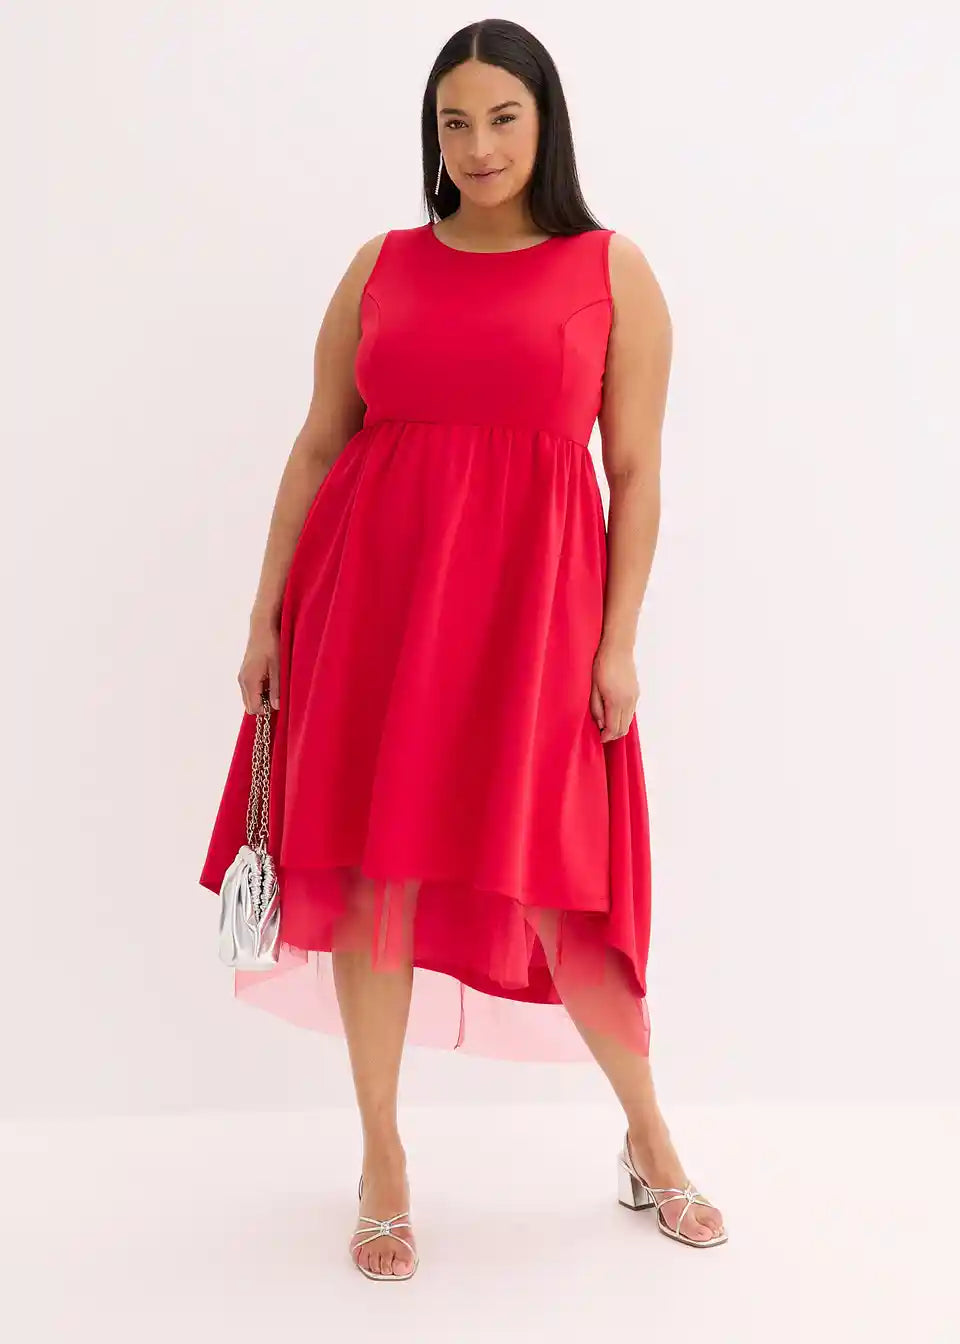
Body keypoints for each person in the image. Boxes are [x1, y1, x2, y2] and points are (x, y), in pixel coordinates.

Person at [198, 18, 728, 1280]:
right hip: (371, 610)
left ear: (545, 124)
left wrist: (618, 644)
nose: (479, 145)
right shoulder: (381, 265)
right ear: (431, 135)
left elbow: (637, 473)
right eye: (454, 121)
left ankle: (649, 1139)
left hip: (534, 626)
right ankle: (382, 1161)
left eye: (502, 117)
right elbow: (319, 444)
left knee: (561, 886)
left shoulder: (611, 270)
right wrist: (266, 613)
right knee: (371, 878)